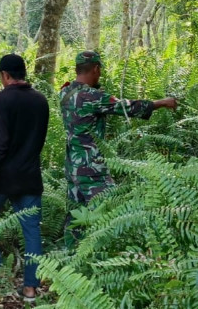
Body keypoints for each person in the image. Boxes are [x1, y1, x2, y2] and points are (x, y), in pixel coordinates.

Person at [59, 51, 177, 245]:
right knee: (111, 213)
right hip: (92, 168)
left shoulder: (64, 92)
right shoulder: (92, 96)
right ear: (96, 69)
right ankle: (110, 259)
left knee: (75, 217)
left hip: (72, 166)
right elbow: (126, 107)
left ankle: (70, 261)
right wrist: (162, 103)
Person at [0, 54, 50, 301]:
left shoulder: (1, 100)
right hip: (29, 176)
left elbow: (0, 146)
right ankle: (30, 288)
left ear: (5, 75)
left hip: (3, 178)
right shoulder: (41, 100)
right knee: (31, 231)